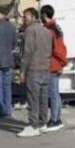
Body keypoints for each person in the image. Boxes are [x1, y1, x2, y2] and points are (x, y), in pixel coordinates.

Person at [17, 8, 53, 138]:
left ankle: (33, 125)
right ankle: (43, 123)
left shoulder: (30, 30)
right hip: (45, 68)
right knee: (43, 98)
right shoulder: (46, 31)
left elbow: (27, 52)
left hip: (34, 68)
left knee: (33, 99)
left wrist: (22, 71)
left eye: (25, 16)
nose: (23, 19)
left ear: (33, 17)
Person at [41, 5, 67, 131]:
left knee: (52, 93)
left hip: (52, 64)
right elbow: (61, 47)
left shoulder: (49, 30)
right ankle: (57, 118)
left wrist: (61, 62)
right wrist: (62, 63)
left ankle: (55, 120)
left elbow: (56, 49)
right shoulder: (56, 27)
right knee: (55, 93)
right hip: (56, 63)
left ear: (44, 15)